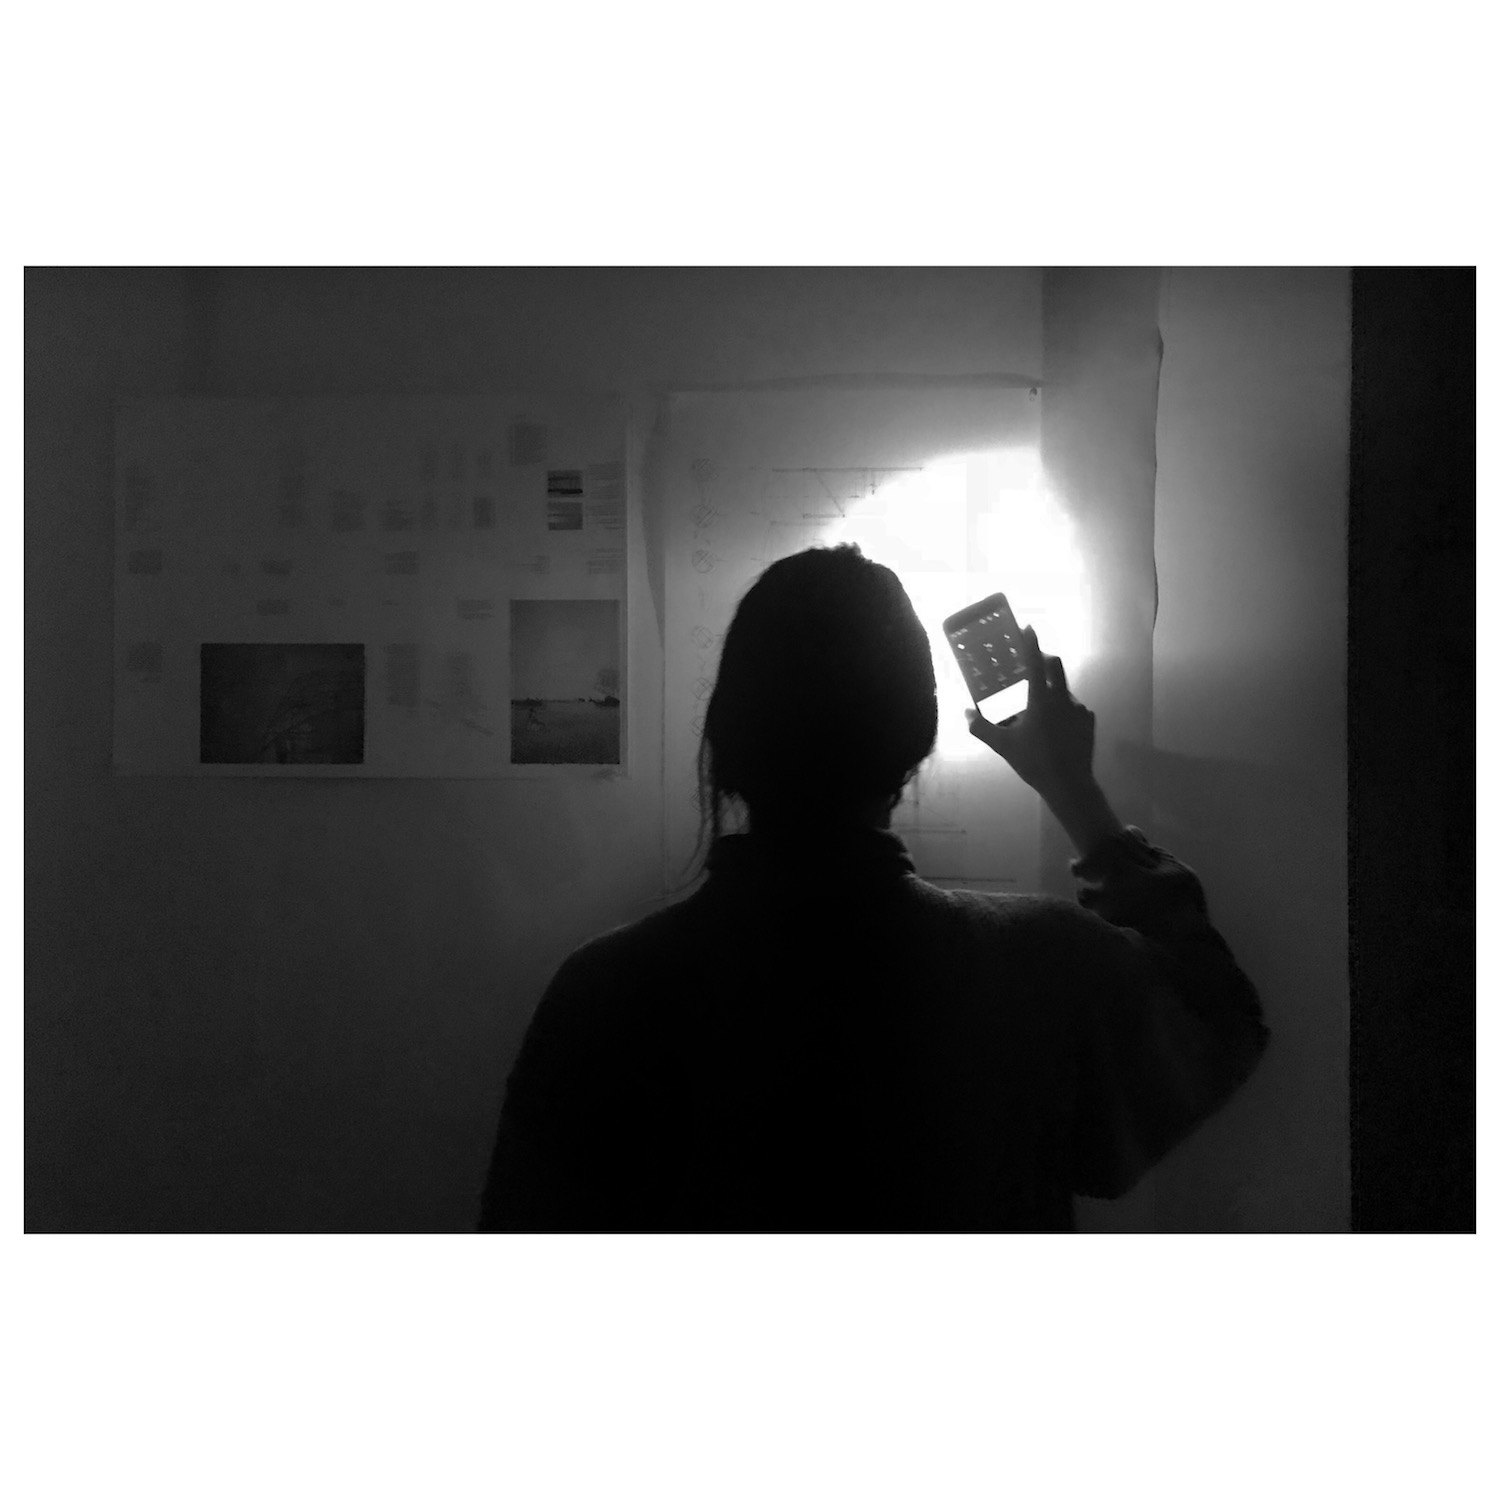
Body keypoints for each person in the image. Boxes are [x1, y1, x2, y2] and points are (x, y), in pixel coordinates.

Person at [478, 545, 1267, 1230]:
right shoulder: (1041, 969)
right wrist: (1072, 789)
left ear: (725, 737)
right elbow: (1218, 1023)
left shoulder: (602, 994)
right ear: (918, 741)